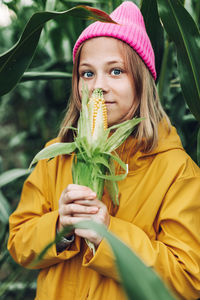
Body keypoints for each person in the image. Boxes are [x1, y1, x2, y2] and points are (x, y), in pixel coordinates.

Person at [7, 1, 200, 299]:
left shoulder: (178, 172)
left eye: (116, 71)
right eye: (87, 74)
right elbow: (20, 245)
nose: (98, 86)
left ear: (142, 81)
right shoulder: (55, 158)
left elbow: (188, 280)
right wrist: (61, 227)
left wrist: (111, 235)